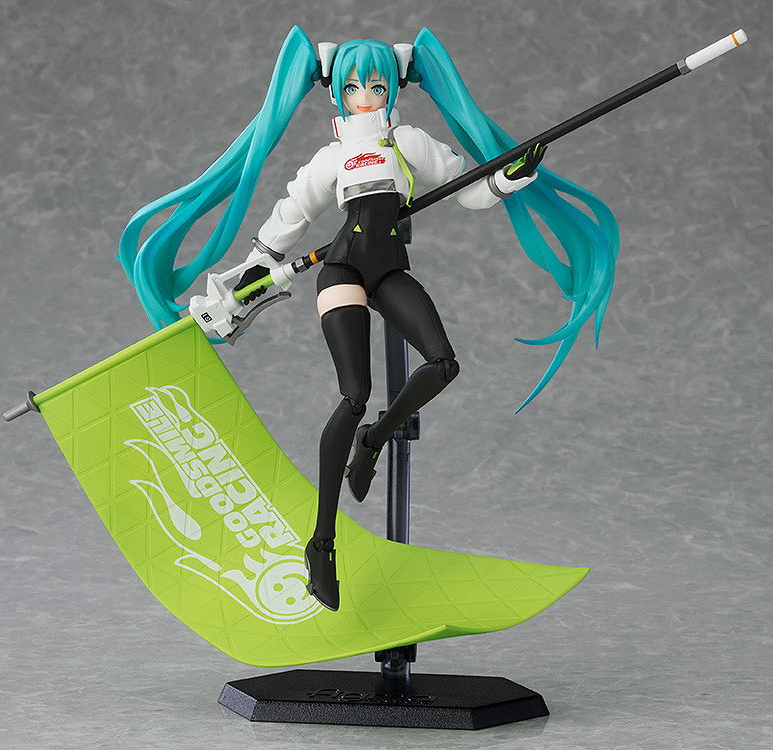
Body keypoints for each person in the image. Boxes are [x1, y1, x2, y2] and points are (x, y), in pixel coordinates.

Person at [118, 26, 619, 611]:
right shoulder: (331, 157)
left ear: (393, 87)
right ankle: (321, 544)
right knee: (353, 393)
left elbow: (468, 190)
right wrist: (249, 277)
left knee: (443, 363)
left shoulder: (409, 142)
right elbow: (290, 216)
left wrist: (511, 176)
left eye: (376, 86)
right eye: (354, 86)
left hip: (387, 271)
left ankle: (374, 440)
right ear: (337, 93)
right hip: (340, 270)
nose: (365, 96)